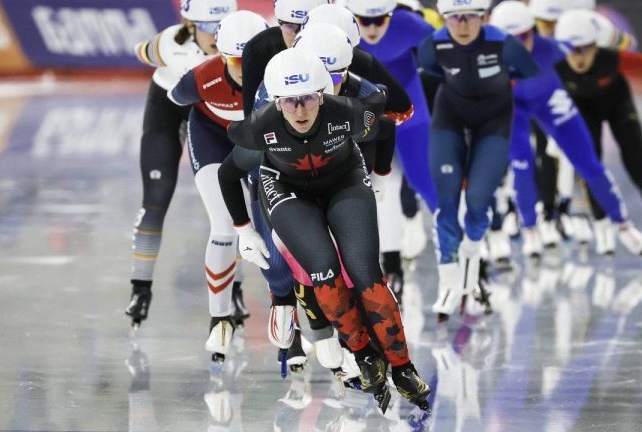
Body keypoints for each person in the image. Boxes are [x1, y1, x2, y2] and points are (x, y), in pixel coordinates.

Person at [219, 48, 431, 413]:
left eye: (309, 99)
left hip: (344, 182)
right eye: (290, 102)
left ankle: (403, 367)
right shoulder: (259, 128)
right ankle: (364, 355)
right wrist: (243, 228)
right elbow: (227, 174)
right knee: (323, 273)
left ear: (323, 95)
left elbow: (385, 126)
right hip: (287, 191)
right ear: (275, 101)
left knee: (367, 276)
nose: (300, 110)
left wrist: (379, 176)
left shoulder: (347, 114)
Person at [490, 1, 642, 258]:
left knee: (589, 164)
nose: (520, 45)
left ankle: (622, 223)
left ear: (533, 31)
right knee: (522, 166)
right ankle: (530, 229)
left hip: (550, 101)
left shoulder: (551, 48)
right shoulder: (486, 57)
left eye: (524, 36)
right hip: (513, 109)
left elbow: (620, 53)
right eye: (511, 39)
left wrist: (619, 49)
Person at [418, 0, 540, 320]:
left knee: (477, 199)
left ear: (483, 18)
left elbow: (529, 70)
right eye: (454, 18)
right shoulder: (434, 44)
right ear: (444, 20)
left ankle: (472, 253)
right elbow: (430, 69)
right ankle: (448, 281)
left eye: (470, 18)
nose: (462, 25)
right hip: (450, 118)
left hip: (494, 122)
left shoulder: (503, 43)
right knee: (446, 197)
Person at [126, 0, 236, 329]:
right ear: (189, 26)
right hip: (167, 112)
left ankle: (238, 288)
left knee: (232, 204)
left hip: (212, 118)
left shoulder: (240, 43)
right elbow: (142, 51)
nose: (216, 36)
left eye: (221, 27)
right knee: (156, 198)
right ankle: (140, 288)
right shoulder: (167, 44)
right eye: (207, 28)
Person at [166, 10, 269, 363]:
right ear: (221, 56)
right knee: (225, 226)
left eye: (251, 59)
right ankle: (219, 319)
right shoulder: (203, 77)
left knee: (269, 225)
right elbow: (175, 98)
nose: (244, 67)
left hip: (257, 145)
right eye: (235, 59)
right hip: (212, 140)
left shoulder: (278, 74)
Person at [555, 10, 642, 258]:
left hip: (618, 106)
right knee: (590, 168)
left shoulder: (612, 59)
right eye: (571, 49)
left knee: (638, 168)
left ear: (596, 45)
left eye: (585, 48)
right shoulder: (556, 64)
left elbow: (640, 58)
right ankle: (602, 226)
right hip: (585, 112)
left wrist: (615, 37)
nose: (578, 57)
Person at [346, 0, 437, 263]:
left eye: (380, 20)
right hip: (367, 120)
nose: (372, 28)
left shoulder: (408, 23)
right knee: (380, 186)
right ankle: (392, 259)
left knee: (424, 182)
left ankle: (461, 250)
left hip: (412, 116)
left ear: (391, 15)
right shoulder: (339, 28)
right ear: (352, 17)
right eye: (364, 21)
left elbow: (443, 48)